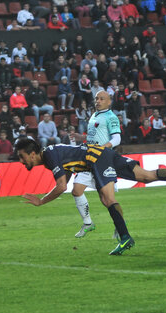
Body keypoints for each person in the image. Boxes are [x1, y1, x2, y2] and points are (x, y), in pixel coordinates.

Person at [15, 138, 166, 255]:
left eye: (22, 157)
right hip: (102, 154)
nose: (22, 161)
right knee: (147, 176)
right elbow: (64, 179)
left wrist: (41, 201)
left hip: (97, 158)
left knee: (107, 199)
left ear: (33, 154)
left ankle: (125, 237)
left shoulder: (49, 156)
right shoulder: (52, 154)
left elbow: (61, 186)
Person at [71, 91, 121, 239]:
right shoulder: (94, 115)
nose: (97, 101)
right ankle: (88, 223)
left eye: (101, 99)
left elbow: (117, 138)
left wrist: (102, 149)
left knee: (107, 200)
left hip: (103, 161)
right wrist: (81, 137)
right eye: (96, 98)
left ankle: (119, 226)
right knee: (76, 190)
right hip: (89, 158)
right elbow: (93, 137)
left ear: (109, 101)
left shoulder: (111, 117)